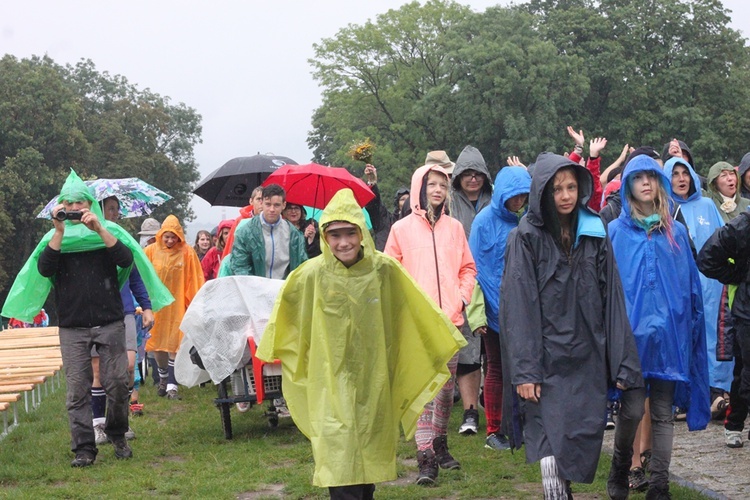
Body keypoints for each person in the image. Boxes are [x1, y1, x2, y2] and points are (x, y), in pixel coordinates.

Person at [256, 189, 465, 499]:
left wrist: (441, 337)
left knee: (366, 460)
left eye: (350, 233)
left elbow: (413, 312)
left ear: (362, 232)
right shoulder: (310, 275)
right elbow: (286, 318)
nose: (343, 242)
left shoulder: (384, 270)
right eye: (335, 234)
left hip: (373, 380)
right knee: (339, 457)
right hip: (329, 380)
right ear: (325, 236)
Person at [1, 170, 171, 467]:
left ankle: (117, 431)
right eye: (70, 204)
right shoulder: (55, 238)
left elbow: (125, 260)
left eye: (81, 203)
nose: (76, 209)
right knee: (77, 389)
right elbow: (43, 269)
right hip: (72, 326)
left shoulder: (110, 233)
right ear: (61, 207)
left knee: (118, 382)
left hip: (110, 321)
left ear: (91, 205)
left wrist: (99, 229)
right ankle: (84, 448)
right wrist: (58, 231)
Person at [499, 153, 642, 500]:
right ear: (543, 193)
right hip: (544, 359)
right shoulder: (525, 238)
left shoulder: (594, 231)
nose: (565, 195)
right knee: (548, 439)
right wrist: (526, 370)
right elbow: (519, 306)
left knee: (578, 434)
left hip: (586, 356)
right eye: (557, 189)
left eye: (571, 187)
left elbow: (613, 299)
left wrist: (621, 360)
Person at [608, 155, 710, 500]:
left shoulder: (676, 233)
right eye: (639, 178)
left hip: (668, 337)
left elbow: (688, 288)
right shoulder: (616, 233)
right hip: (631, 339)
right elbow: (608, 289)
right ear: (628, 186)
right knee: (633, 409)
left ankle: (660, 484)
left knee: (663, 412)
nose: (646, 183)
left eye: (652, 177)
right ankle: (621, 468)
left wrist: (687, 330)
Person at [384, 163, 476, 485]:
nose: (437, 190)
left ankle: (440, 444)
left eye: (442, 185)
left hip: (450, 321)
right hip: (418, 325)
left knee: (445, 389)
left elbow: (468, 269)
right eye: (431, 184)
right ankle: (425, 459)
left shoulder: (455, 228)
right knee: (425, 391)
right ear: (419, 188)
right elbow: (391, 275)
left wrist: (461, 299)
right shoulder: (401, 230)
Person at [468, 166, 531, 452]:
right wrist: (480, 311)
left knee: (524, 368)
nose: (518, 201)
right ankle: (494, 429)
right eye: (513, 196)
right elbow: (474, 268)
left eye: (523, 196)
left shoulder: (527, 220)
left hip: (522, 306)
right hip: (493, 307)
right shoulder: (483, 221)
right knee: (495, 367)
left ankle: (521, 426)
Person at [663, 157, 731, 417]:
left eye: (685, 173)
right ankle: (684, 397)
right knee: (683, 338)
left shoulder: (706, 205)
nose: (681, 179)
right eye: (675, 174)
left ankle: (718, 391)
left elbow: (723, 240)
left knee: (714, 337)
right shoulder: (665, 209)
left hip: (711, 285)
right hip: (680, 286)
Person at [90, 196, 156, 443]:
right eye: (109, 209)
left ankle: (120, 419)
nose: (115, 214)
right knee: (98, 370)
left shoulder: (122, 241)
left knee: (128, 367)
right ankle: (98, 424)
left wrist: (146, 307)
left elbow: (135, 276)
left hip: (125, 311)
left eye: (117, 210)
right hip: (95, 314)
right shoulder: (84, 242)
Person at [449, 145, 491, 435]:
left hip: (496, 281)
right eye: (467, 174)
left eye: (477, 174)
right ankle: (469, 411)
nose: (472, 179)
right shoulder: (450, 203)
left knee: (497, 349)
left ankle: (499, 408)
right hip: (462, 282)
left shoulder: (496, 200)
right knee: (468, 349)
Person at [699, 210, 750, 449]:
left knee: (742, 370)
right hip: (746, 312)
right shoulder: (741, 225)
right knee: (747, 371)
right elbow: (707, 259)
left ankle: (735, 422)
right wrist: (737, 276)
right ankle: (734, 425)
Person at [145, 215, 205, 400]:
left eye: (174, 237)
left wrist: (194, 302)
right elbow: (142, 276)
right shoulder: (150, 251)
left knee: (175, 344)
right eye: (167, 237)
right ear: (161, 235)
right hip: (157, 307)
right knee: (157, 345)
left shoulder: (187, 253)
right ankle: (163, 376)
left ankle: (172, 385)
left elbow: (194, 277)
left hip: (178, 305)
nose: (170, 241)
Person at [228, 184, 308, 278]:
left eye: (276, 205)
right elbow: (240, 266)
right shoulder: (245, 232)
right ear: (261, 203)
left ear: (284, 205)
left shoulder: (294, 234)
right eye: (268, 204)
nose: (272, 209)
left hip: (284, 289)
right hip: (255, 289)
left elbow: (302, 265)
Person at [222, 185, 264, 258]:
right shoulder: (241, 220)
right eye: (258, 199)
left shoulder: (273, 222)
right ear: (251, 201)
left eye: (264, 200)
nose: (261, 203)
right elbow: (230, 245)